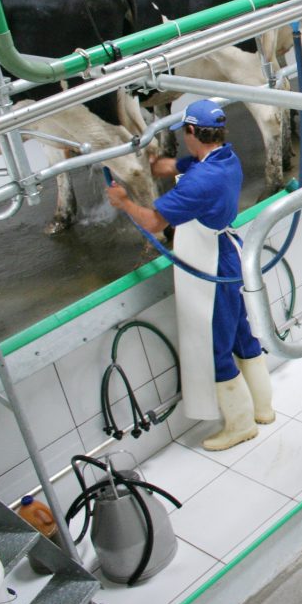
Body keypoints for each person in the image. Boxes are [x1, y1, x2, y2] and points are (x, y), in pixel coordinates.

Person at [107, 99, 274, 451]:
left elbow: (154, 222)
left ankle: (240, 424)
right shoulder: (224, 158)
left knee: (215, 347)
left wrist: (124, 202)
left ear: (192, 132)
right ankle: (263, 407)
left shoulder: (200, 183)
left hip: (210, 266)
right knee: (242, 335)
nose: (184, 138)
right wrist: (150, 164)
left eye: (185, 132)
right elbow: (176, 166)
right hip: (227, 254)